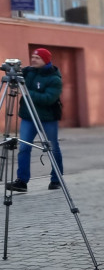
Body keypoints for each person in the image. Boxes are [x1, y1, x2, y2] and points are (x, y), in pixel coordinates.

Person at [7, 48, 64, 193]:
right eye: (32, 57)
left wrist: (27, 92)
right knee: (24, 148)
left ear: (46, 60)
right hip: (28, 117)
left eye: (37, 58)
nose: (33, 60)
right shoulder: (28, 72)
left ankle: (56, 179)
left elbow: (48, 99)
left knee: (53, 148)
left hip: (48, 119)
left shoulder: (54, 79)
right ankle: (22, 182)